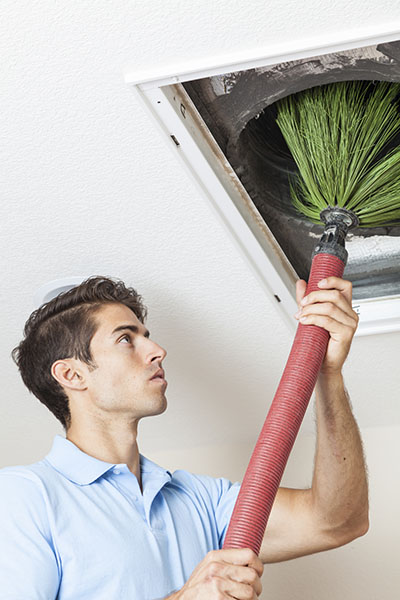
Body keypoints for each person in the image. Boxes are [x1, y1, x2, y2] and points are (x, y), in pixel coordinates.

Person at [0, 275, 368, 600]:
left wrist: (327, 374)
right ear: (72, 374)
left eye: (146, 336)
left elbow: (338, 520)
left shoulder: (199, 499)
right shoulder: (25, 496)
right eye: (126, 339)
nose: (157, 350)